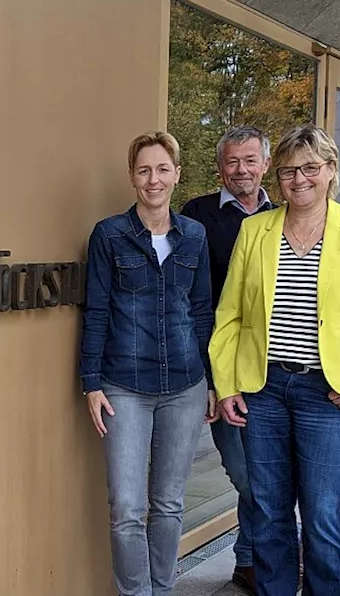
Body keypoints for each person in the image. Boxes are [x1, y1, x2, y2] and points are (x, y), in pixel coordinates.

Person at [209, 125, 340, 595]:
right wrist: (228, 383)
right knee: (269, 510)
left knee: (321, 514)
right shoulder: (255, 231)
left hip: (328, 393)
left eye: (310, 168)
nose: (299, 179)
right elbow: (230, 316)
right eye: (289, 171)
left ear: (331, 171)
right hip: (265, 389)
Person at [79, 131, 215, 596]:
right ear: (131, 177)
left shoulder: (194, 235)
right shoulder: (109, 235)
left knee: (170, 504)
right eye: (143, 170)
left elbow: (201, 311)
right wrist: (90, 382)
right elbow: (95, 309)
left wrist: (211, 382)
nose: (152, 179)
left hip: (185, 385)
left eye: (161, 169)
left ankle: (163, 590)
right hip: (124, 386)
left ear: (177, 174)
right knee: (126, 509)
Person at [180, 125, 275, 593]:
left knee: (269, 471)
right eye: (233, 162)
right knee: (245, 473)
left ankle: (249, 559)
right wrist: (206, 378)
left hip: (273, 369)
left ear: (265, 165)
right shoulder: (196, 216)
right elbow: (187, 300)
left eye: (250, 161)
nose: (242, 170)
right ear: (220, 168)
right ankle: (259, 557)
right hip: (222, 367)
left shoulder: (283, 216)